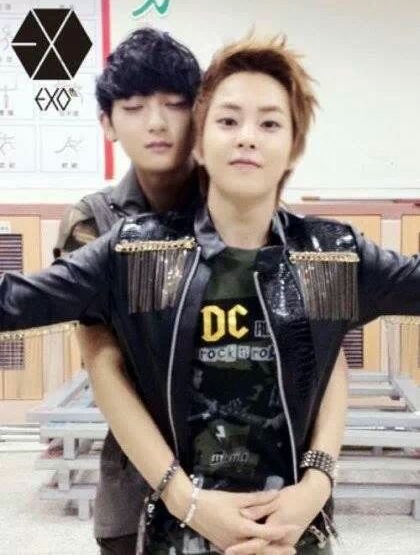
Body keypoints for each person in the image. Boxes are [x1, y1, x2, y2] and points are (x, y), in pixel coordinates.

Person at [1, 33, 419, 555]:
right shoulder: (129, 249)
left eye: (270, 124)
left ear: (295, 146)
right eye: (228, 121)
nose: (247, 138)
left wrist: (315, 484)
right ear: (199, 144)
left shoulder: (333, 253)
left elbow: (330, 355)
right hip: (166, 517)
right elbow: (31, 311)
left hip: (292, 527)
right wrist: (190, 502)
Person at [54, 27, 202, 554]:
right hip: (135, 481)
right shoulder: (92, 222)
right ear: (107, 123)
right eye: (135, 107)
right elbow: (103, 363)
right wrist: (181, 494)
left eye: (176, 104)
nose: (157, 122)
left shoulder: (240, 205)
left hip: (248, 472)